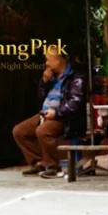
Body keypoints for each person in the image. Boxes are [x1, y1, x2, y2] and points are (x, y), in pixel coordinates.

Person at [12, 48, 87, 179]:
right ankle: (38, 163)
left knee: (42, 131)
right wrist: (44, 82)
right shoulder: (51, 75)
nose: (46, 63)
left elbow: (75, 104)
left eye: (48, 60)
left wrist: (56, 113)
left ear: (58, 60)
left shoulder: (75, 76)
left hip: (65, 117)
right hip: (45, 112)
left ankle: (54, 167)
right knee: (19, 131)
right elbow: (40, 97)